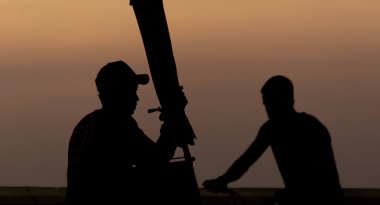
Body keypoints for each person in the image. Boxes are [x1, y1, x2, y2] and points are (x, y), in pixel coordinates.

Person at [202, 75, 343, 205]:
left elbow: (247, 160)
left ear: (285, 100)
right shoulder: (310, 125)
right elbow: (246, 161)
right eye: (266, 104)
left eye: (270, 103)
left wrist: (222, 181)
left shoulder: (277, 129)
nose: (267, 108)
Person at [66, 60, 182, 204]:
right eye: (131, 91)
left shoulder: (86, 123)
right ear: (116, 93)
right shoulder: (116, 123)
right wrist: (172, 126)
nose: (136, 98)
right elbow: (155, 161)